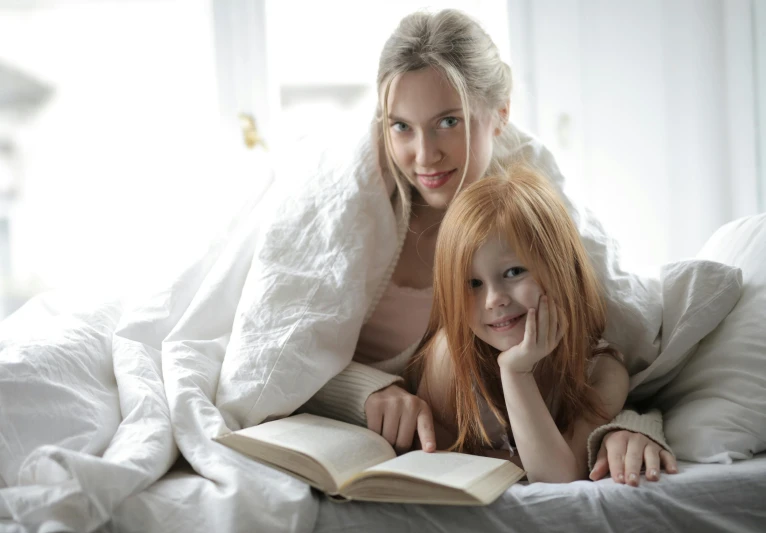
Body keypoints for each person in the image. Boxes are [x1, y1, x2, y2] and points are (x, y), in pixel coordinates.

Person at [302, 8, 677, 486]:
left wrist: (633, 422)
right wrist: (366, 392)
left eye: (448, 121)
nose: (424, 155)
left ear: (500, 115)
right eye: (401, 126)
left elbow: (630, 353)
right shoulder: (449, 357)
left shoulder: (522, 214)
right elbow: (289, 360)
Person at [408, 170, 648, 482]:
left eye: (513, 272)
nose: (494, 299)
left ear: (562, 267)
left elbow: (557, 478)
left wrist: (516, 372)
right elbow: (430, 462)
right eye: (473, 284)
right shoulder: (450, 358)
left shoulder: (601, 371)